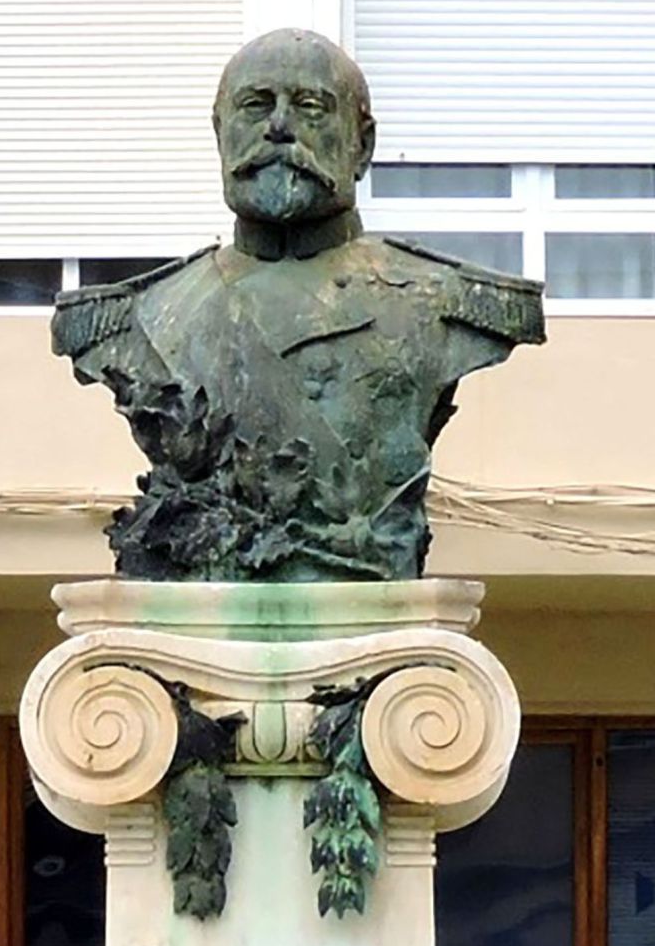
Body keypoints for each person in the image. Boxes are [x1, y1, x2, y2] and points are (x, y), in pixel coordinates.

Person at [51, 29, 545, 581]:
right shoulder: (136, 319)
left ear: (363, 145)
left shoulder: (445, 304)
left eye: (309, 107)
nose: (279, 127)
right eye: (256, 106)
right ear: (220, 134)